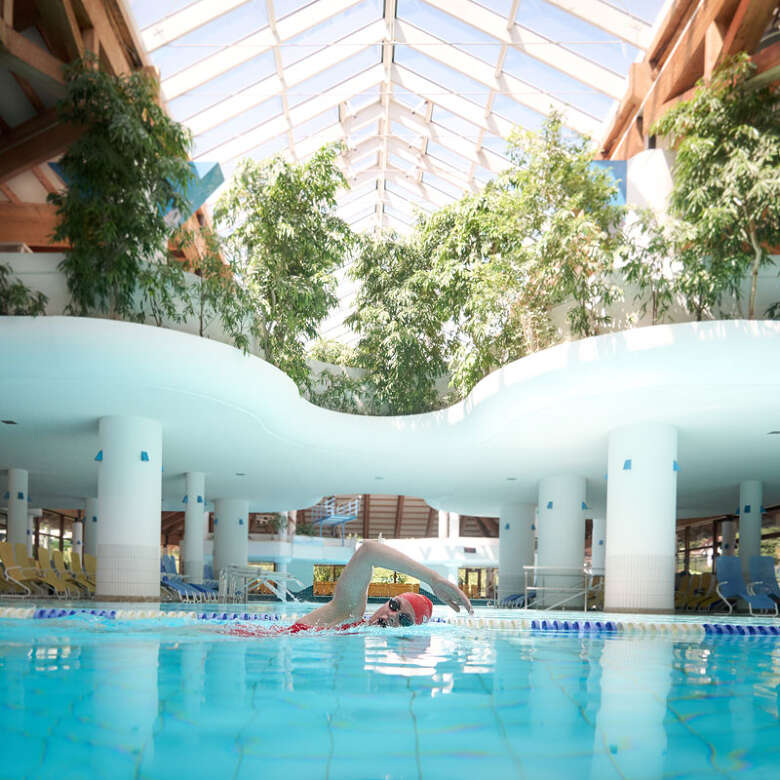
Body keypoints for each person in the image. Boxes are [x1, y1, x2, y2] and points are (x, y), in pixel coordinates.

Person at [290, 540, 473, 631]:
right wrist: (433, 579)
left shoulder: (357, 640)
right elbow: (368, 551)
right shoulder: (348, 613)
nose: (392, 616)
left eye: (405, 620)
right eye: (395, 605)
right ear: (388, 602)